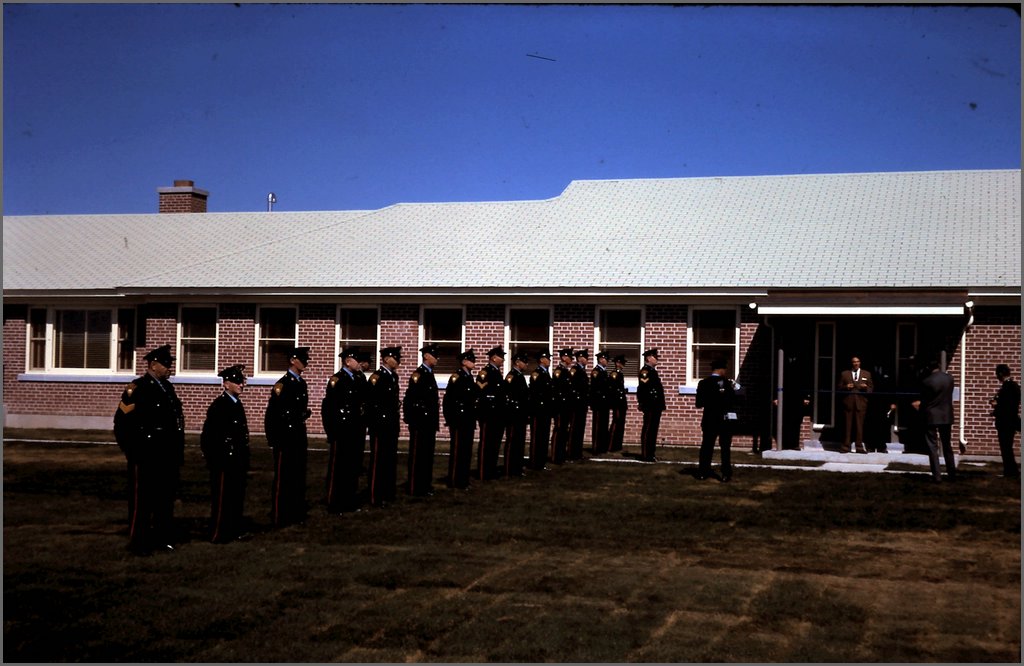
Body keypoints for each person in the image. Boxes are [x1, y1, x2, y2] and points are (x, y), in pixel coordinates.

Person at [113, 344, 185, 555]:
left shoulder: (168, 388)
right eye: (166, 364)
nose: (169, 367)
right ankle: (139, 541)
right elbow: (122, 423)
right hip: (145, 455)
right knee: (142, 501)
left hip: (166, 454)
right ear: (153, 365)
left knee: (164, 499)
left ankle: (163, 538)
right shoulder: (137, 388)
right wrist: (133, 451)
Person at [200, 364, 251, 543]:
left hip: (237, 459)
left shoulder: (236, 404)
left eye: (242, 382)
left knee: (236, 497)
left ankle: (234, 528)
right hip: (223, 461)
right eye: (237, 382)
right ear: (226, 384)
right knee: (222, 498)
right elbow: (210, 437)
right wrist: (217, 458)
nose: (241, 385)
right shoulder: (220, 406)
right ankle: (218, 532)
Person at [265, 346, 312, 527]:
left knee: (298, 475)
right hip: (285, 437)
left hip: (298, 435)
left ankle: (296, 511)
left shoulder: (301, 383)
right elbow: (273, 415)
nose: (305, 362)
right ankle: (279, 514)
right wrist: (274, 439)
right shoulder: (282, 385)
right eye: (302, 359)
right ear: (293, 360)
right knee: (284, 477)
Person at [321, 348, 367, 513]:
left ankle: (349, 500)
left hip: (355, 430)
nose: (359, 363)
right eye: (356, 360)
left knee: (352, 467)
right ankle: (334, 502)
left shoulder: (358, 378)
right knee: (338, 468)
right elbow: (328, 409)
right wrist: (331, 432)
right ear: (348, 361)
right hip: (341, 431)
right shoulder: (337, 380)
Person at [403, 344, 440, 496]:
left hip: (429, 421)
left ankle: (425, 484)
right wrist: (413, 419)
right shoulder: (418, 374)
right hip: (420, 422)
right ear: (426, 356)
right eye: (434, 355)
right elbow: (412, 399)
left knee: (427, 455)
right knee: (418, 455)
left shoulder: (429, 373)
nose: (437, 358)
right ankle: (414, 486)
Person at [366, 346, 402, 506]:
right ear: (386, 359)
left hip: (391, 423)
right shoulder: (376, 377)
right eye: (395, 357)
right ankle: (375, 495)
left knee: (389, 459)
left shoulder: (393, 376)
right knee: (378, 461)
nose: (398, 360)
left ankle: (388, 492)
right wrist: (376, 422)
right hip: (380, 425)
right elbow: (372, 403)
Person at [912, 359, 957, 482]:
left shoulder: (927, 381)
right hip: (946, 415)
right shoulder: (950, 378)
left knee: (932, 446)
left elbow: (925, 400)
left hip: (931, 415)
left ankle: (937, 475)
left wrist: (918, 407)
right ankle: (952, 473)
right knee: (947, 445)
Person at [696, 358, 738, 481]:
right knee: (725, 448)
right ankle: (726, 473)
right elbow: (734, 400)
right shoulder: (728, 383)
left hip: (709, 418)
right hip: (724, 420)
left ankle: (703, 472)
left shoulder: (703, 383)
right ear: (721, 370)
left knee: (707, 446)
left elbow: (699, 403)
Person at [444, 349, 479, 489]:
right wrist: (451, 419)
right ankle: (454, 480)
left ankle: (463, 479)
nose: (474, 362)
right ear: (464, 362)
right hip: (459, 420)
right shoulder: (456, 377)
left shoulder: (469, 377)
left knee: (466, 451)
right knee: (458, 451)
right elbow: (449, 400)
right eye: (471, 360)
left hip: (468, 419)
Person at [476, 346, 507, 480]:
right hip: (488, 414)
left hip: (498, 414)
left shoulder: (497, 373)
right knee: (486, 444)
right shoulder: (485, 373)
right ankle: (483, 472)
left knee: (495, 444)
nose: (503, 360)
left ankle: (491, 469)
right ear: (494, 357)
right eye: (501, 357)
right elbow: (482, 393)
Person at [990, 364, 1020, 479]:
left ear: (1001, 374)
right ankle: (1011, 471)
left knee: (1006, 447)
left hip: (1006, 422)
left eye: (997, 374)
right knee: (1007, 447)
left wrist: (996, 406)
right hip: (1010, 420)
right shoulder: (1014, 386)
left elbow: (1006, 406)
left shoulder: (1007, 388)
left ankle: (1010, 471)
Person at [838, 356, 873, 453]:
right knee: (847, 425)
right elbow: (839, 388)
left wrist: (866, 387)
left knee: (859, 426)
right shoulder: (845, 374)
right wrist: (846, 387)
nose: (856, 363)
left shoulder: (867, 374)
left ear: (860, 362)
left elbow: (871, 389)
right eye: (854, 362)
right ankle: (846, 446)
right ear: (851, 363)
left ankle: (859, 447)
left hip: (861, 403)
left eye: (857, 361)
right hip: (848, 403)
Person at [636, 348, 665, 462]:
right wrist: (642, 403)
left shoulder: (653, 371)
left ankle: (651, 454)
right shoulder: (645, 372)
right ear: (648, 358)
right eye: (655, 357)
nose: (657, 359)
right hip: (650, 405)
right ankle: (645, 454)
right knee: (648, 429)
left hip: (656, 405)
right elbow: (643, 389)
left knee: (653, 430)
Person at [527, 351, 553, 471]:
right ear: (542, 360)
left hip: (546, 410)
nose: (549, 360)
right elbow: (535, 392)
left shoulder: (546, 373)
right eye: (547, 358)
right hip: (538, 410)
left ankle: (541, 462)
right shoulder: (536, 373)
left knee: (543, 437)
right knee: (537, 437)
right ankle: (534, 462)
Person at [550, 348, 575, 465]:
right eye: (570, 357)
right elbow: (557, 389)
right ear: (564, 357)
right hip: (560, 406)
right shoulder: (559, 371)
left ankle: (561, 454)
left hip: (567, 406)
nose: (572, 359)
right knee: (559, 429)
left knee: (564, 431)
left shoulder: (566, 371)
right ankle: (556, 455)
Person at [569, 349, 591, 461]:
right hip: (576, 404)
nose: (587, 359)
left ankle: (577, 453)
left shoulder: (582, 370)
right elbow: (572, 387)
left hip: (582, 404)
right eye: (586, 357)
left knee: (580, 429)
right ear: (580, 358)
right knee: (574, 429)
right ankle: (572, 453)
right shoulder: (575, 370)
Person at [589, 350, 611, 455]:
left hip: (604, 403)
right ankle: (596, 447)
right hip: (598, 403)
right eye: (606, 359)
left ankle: (602, 447)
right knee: (598, 426)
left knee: (603, 425)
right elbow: (595, 388)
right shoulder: (596, 371)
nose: (607, 361)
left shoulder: (604, 371)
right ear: (601, 359)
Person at [608, 354, 629, 453]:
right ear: (617, 363)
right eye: (621, 363)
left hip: (621, 402)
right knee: (616, 422)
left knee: (621, 423)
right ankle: (611, 445)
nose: (623, 364)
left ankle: (617, 445)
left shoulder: (620, 373)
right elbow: (612, 389)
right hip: (617, 402)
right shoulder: (614, 374)